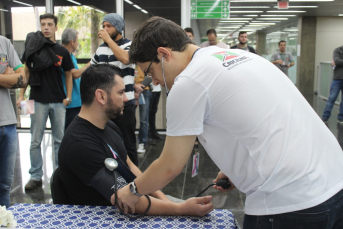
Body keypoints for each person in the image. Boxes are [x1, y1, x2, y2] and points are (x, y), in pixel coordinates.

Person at [117, 17, 343, 228]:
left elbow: (169, 166)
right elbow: (263, 116)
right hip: (334, 180)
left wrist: (133, 190)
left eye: (150, 71)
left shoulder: (189, 82)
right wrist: (234, 168)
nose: (154, 81)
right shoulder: (237, 56)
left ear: (164, 54)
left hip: (290, 202)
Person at [58, 64, 213, 216]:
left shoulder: (109, 126)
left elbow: (129, 166)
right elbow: (127, 201)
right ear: (101, 96)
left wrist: (165, 200)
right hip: (107, 215)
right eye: (121, 93)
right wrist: (179, 209)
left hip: (133, 199)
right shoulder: (79, 145)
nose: (126, 98)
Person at [17, 13, 74, 190]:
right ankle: (35, 176)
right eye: (43, 24)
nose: (46, 27)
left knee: (59, 140)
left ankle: (59, 174)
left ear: (56, 27)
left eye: (50, 24)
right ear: (40, 26)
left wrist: (68, 98)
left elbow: (69, 74)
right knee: (35, 141)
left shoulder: (62, 51)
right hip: (36, 100)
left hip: (58, 101)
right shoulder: (32, 49)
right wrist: (21, 96)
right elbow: (25, 73)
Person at [91, 13, 141, 166]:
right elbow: (93, 72)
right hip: (106, 105)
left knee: (128, 144)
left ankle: (134, 181)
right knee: (108, 144)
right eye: (104, 26)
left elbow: (126, 59)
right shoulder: (101, 49)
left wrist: (108, 40)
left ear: (119, 28)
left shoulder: (129, 45)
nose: (105, 29)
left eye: (109, 26)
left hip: (125, 104)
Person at [0, 35, 26, 208]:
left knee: (4, 187)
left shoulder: (3, 42)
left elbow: (22, 79)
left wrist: (13, 77)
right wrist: (5, 77)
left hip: (7, 123)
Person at [61, 28, 90, 130]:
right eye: (77, 41)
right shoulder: (63, 55)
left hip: (76, 101)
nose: (78, 44)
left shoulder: (70, 55)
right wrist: (89, 65)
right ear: (72, 42)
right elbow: (74, 74)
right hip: (70, 104)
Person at [322, 46, 343, 123]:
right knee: (332, 98)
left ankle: (341, 117)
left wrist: (339, 62)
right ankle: (325, 116)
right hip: (337, 79)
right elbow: (336, 61)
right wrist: (337, 62)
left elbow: (338, 62)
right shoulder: (337, 50)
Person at [134, 66, 151, 153]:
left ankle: (142, 143)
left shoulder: (143, 63)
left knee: (144, 119)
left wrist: (139, 90)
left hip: (144, 91)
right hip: (131, 91)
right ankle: (131, 142)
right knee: (130, 118)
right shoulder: (129, 63)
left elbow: (150, 77)